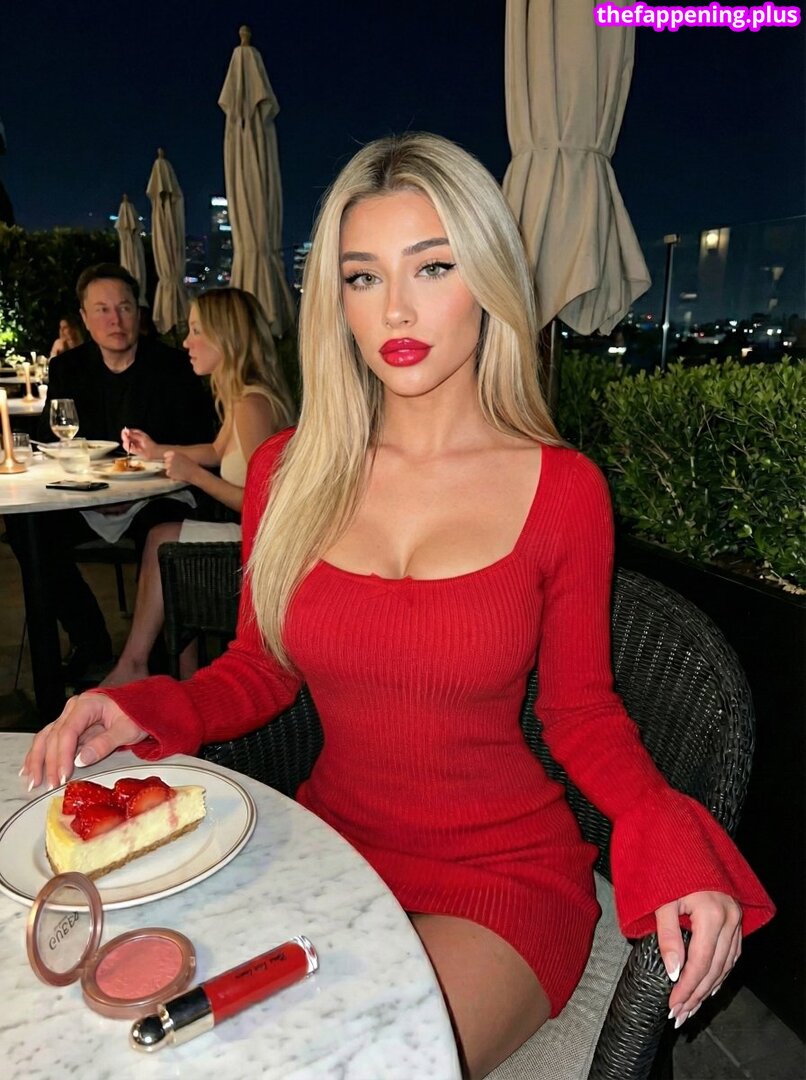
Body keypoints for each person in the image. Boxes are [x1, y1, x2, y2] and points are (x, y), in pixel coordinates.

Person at [21, 135, 774, 1079]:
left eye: (434, 266)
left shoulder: (563, 489)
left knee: (360, 1063)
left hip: (501, 878)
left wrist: (664, 828)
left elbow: (580, 713)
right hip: (325, 843)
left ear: (488, 280)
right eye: (363, 276)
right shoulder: (291, 470)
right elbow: (261, 668)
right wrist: (140, 705)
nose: (397, 310)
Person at [7, 262, 217, 683]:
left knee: (163, 529)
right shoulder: (69, 369)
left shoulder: (174, 367)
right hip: (88, 496)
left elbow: (199, 442)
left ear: (138, 313)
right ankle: (90, 639)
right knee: (28, 531)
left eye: (124, 307)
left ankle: (157, 659)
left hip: (157, 493)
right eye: (102, 310)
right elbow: (53, 439)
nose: (115, 320)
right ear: (84, 318)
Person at [100, 287, 295, 687]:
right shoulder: (242, 396)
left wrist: (194, 476)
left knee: (161, 538)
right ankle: (169, 672)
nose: (186, 342)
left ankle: (142, 664)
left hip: (262, 550)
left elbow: (265, 505)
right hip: (251, 537)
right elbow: (217, 450)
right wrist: (156, 450)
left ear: (226, 337)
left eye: (196, 331)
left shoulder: (252, 405)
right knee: (161, 535)